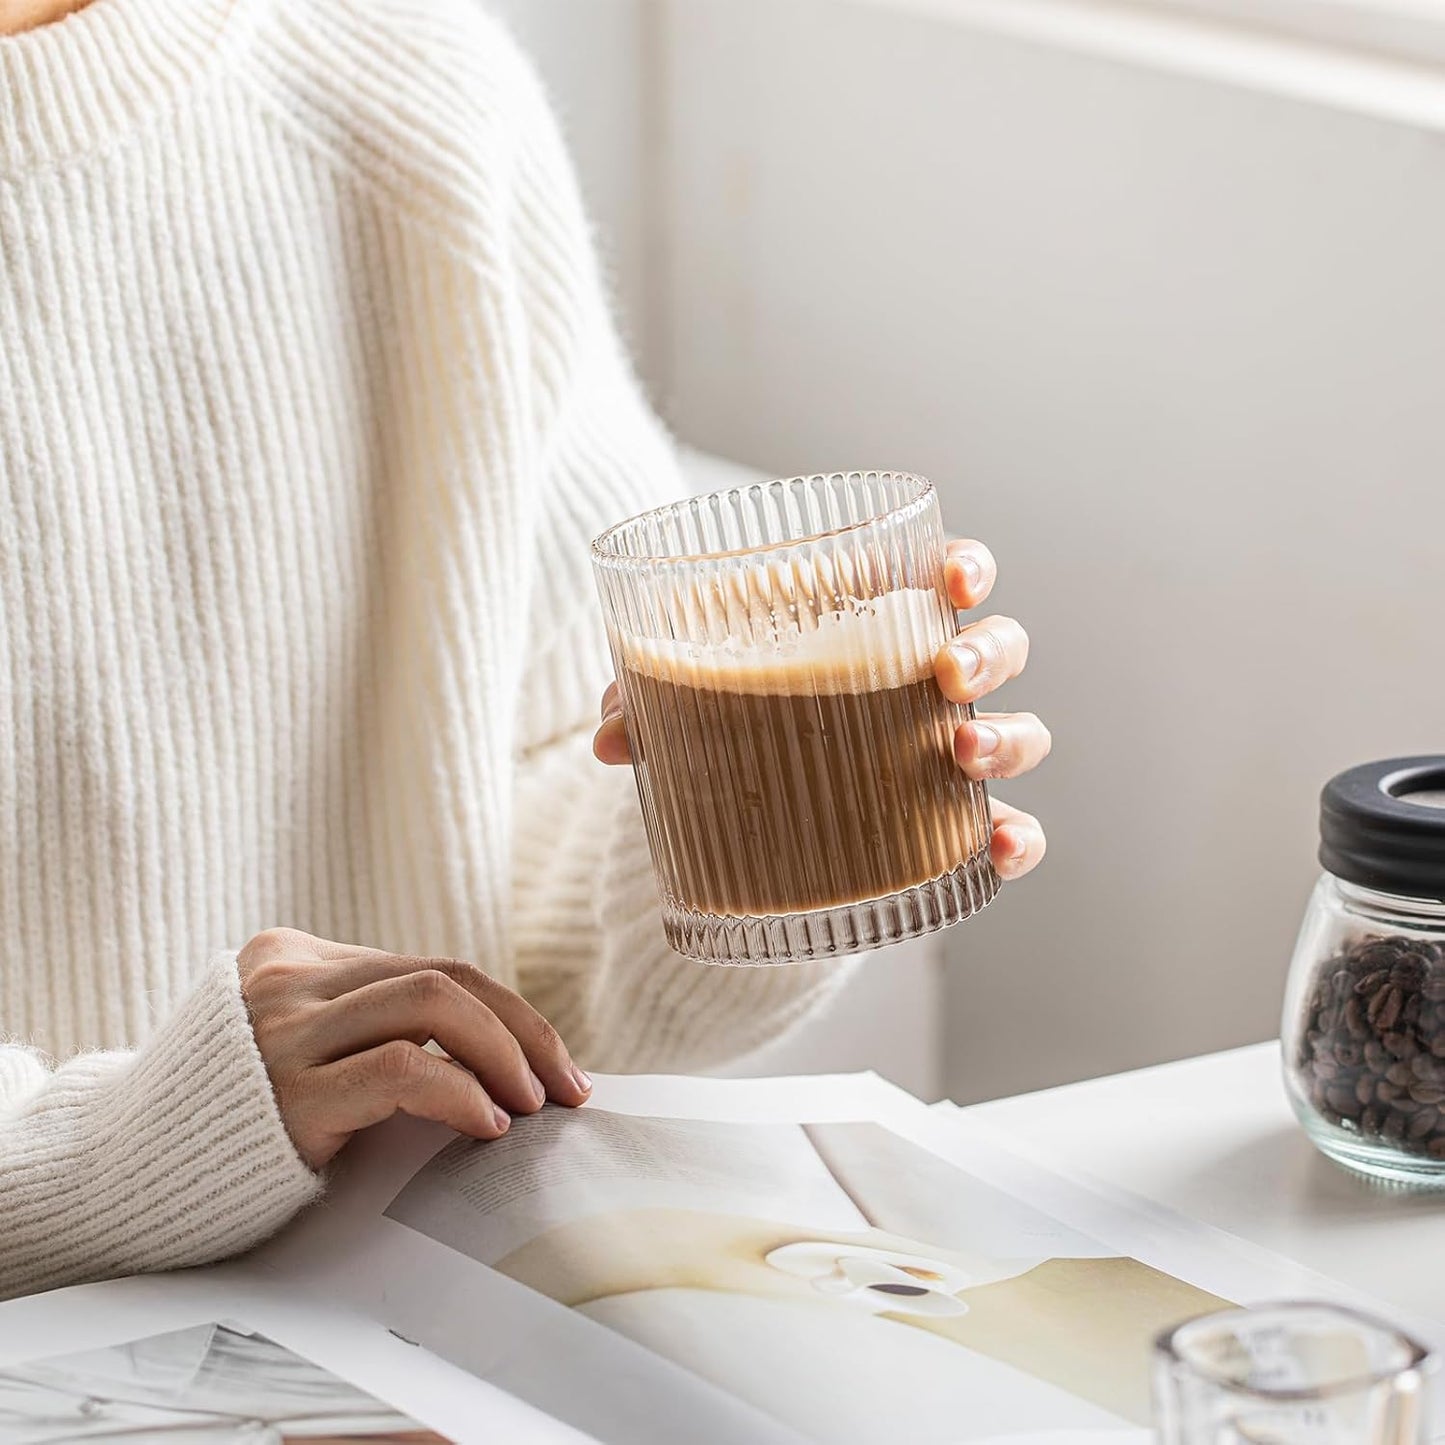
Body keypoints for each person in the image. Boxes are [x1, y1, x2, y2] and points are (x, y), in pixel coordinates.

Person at [0, 0, 1050, 1301]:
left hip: (433, 1320)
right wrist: (135, 1143)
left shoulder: (410, 84)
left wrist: (765, 831)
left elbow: (545, 870)